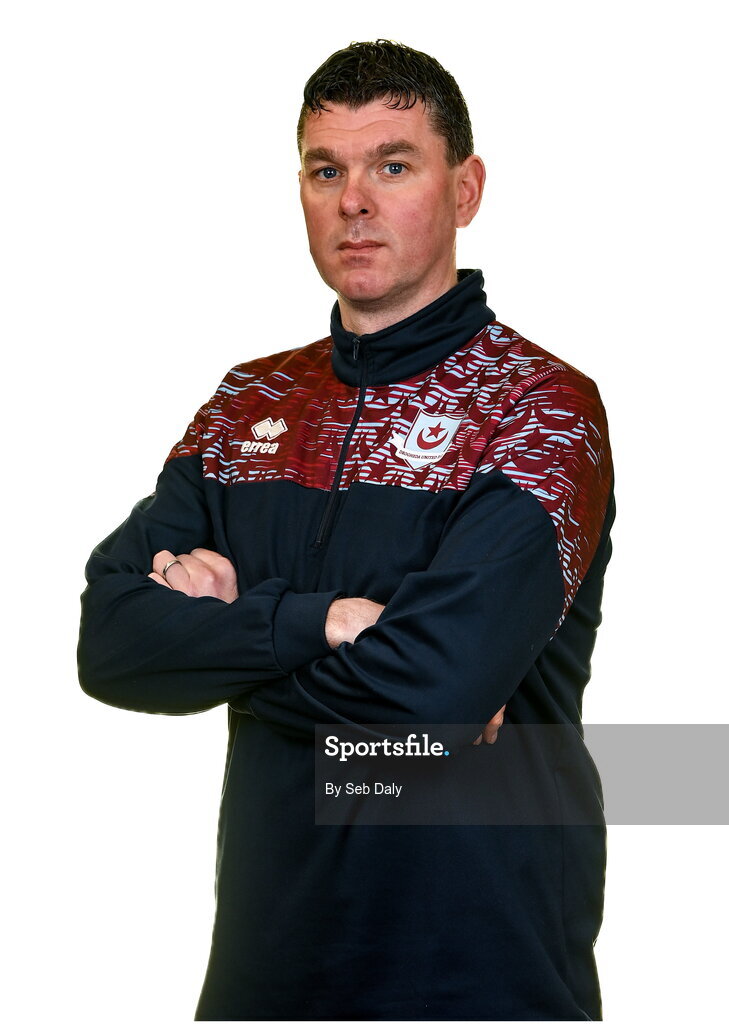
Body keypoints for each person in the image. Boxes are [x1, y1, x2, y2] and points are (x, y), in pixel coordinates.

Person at [78, 39, 615, 1021]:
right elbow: (110, 641)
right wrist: (321, 621)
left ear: (466, 188)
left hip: (485, 974)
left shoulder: (540, 409)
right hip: (265, 976)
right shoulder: (249, 404)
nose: (354, 200)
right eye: (329, 170)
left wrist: (234, 632)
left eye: (393, 164)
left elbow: (437, 692)